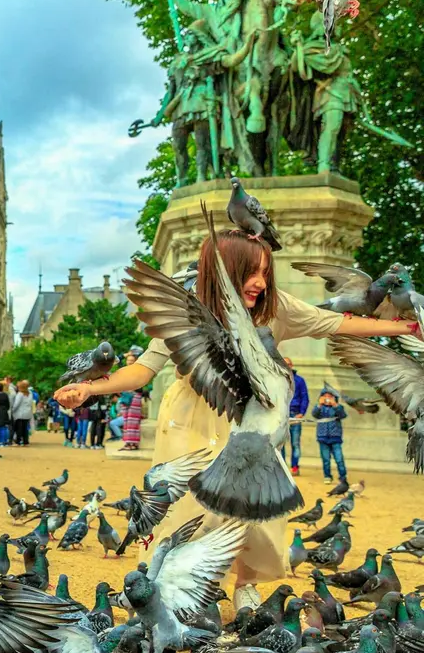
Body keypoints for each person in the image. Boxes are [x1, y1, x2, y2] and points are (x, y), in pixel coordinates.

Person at [55, 227, 417, 608]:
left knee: (255, 504)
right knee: (185, 505)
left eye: (265, 272)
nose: (260, 282)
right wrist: (89, 389)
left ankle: (246, 583)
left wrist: (407, 327)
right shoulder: (188, 309)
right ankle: (178, 586)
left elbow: (339, 323)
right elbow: (144, 370)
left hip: (250, 419)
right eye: (250, 272)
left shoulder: (276, 308)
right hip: (191, 417)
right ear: (223, 272)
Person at [312, 387, 348, 484]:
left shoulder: (338, 407)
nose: (327, 398)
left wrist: (335, 405)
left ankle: (343, 477)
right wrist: (319, 404)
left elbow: (343, 415)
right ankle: (327, 476)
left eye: (330, 397)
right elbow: (314, 414)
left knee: (339, 459)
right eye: (325, 396)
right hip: (323, 437)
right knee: (326, 459)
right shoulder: (319, 408)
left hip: (335, 438)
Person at [284, 357, 309, 476]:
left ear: (292, 365)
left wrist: (302, 413)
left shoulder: (299, 380)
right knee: (280, 443)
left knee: (295, 443)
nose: (287, 366)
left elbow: (305, 397)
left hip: (295, 414)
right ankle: (282, 467)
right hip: (282, 415)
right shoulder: (277, 380)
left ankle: (294, 467)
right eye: (284, 364)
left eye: (288, 364)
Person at [10, 380, 32, 446]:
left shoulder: (20, 394)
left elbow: (16, 404)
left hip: (20, 414)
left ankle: (18, 441)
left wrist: (12, 410)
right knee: (25, 428)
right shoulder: (30, 393)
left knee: (19, 428)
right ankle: (26, 441)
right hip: (27, 413)